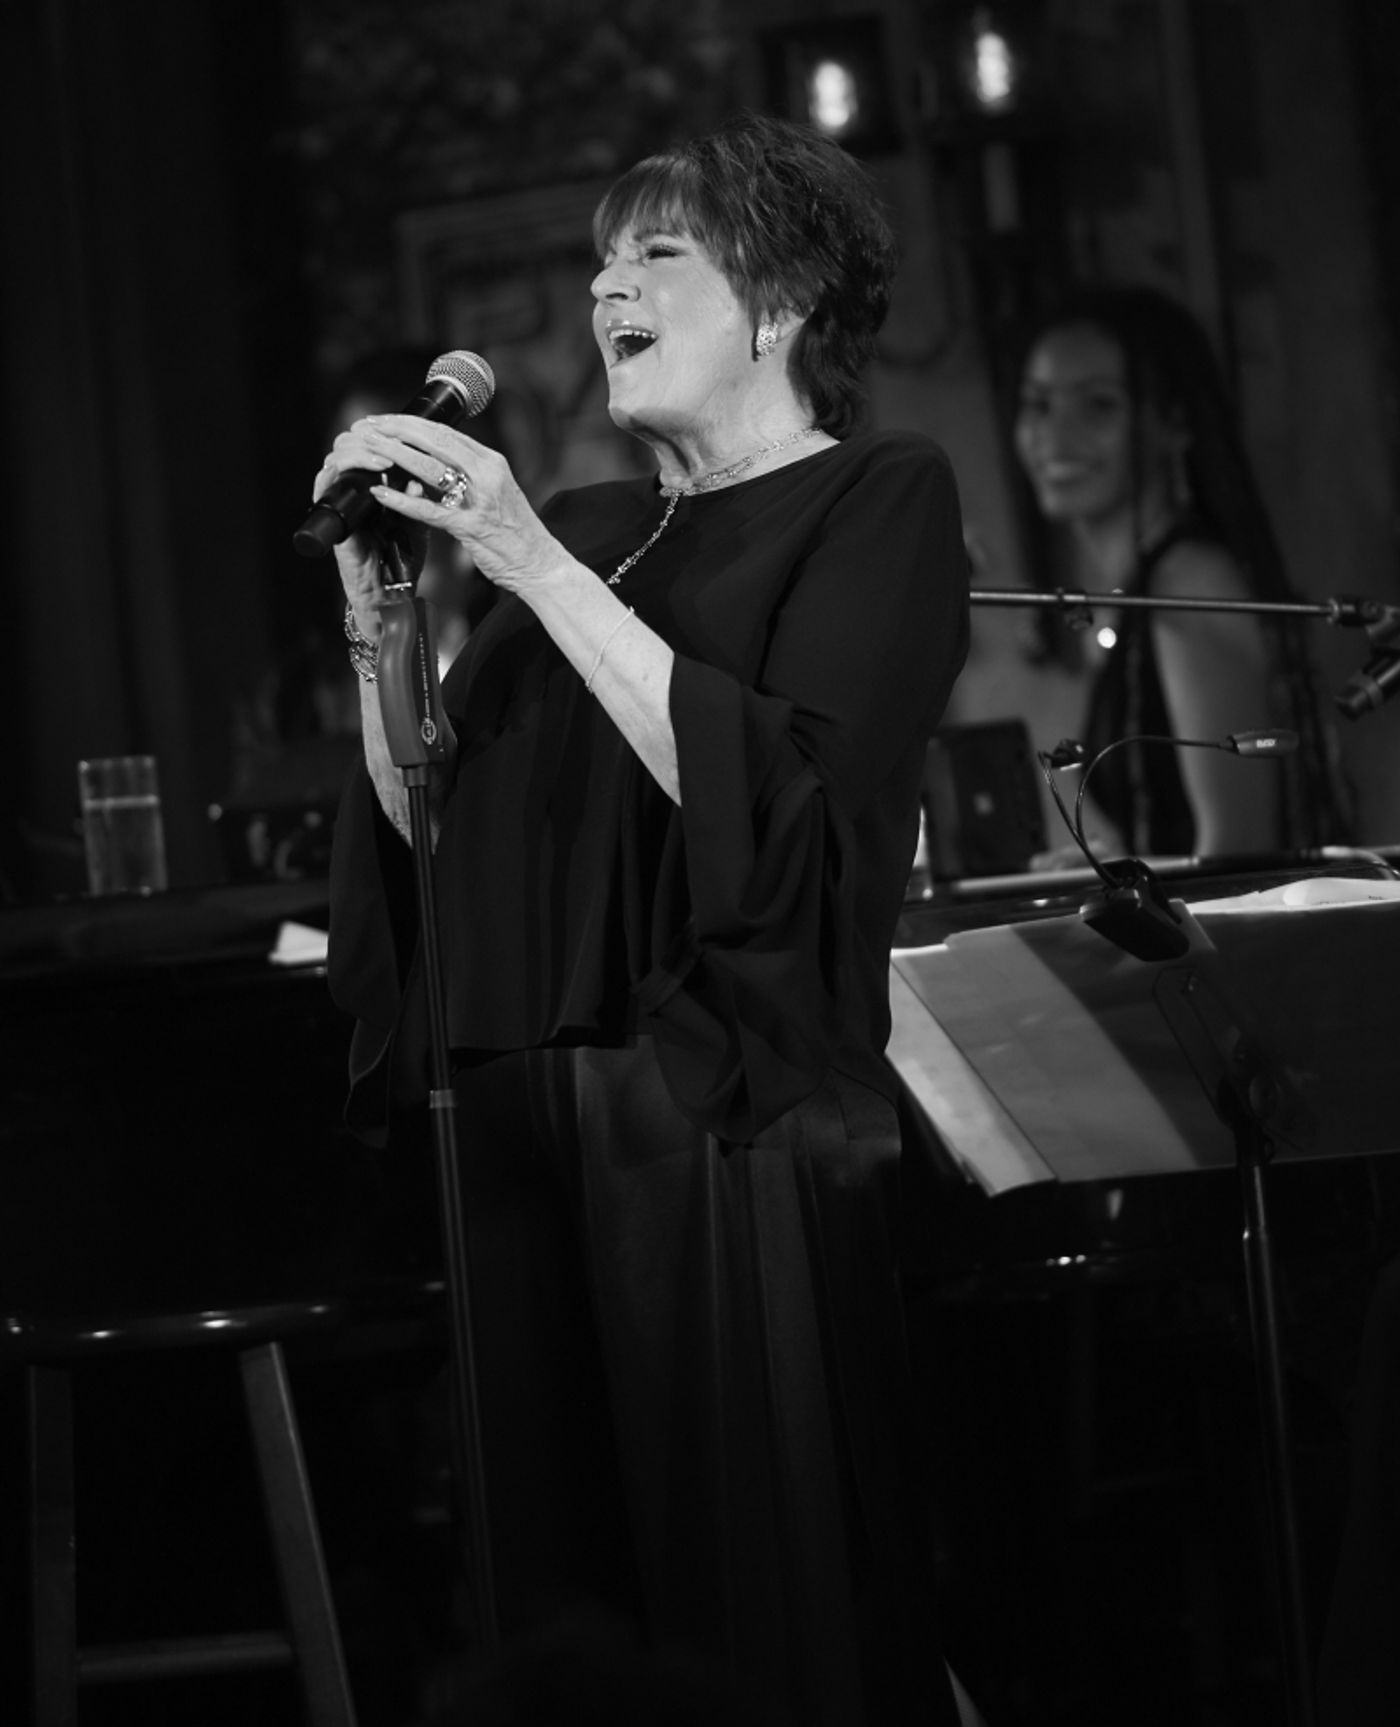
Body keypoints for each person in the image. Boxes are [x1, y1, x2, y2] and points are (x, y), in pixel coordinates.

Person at [316, 113, 971, 1726]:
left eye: (656, 253)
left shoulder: (875, 493)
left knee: (747, 1587)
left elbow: (786, 802)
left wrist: (525, 557)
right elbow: (437, 823)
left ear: (781, 303)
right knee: (567, 1600)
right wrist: (383, 620)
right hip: (526, 1114)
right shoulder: (600, 521)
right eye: (601, 259)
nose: (607, 286)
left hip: (717, 1102)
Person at [1012, 284, 1349, 859]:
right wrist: (1106, 865)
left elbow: (1235, 856)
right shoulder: (1141, 588)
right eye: (1039, 405)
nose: (1055, 436)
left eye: (1099, 405)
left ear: (1174, 423)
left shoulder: (1189, 581)